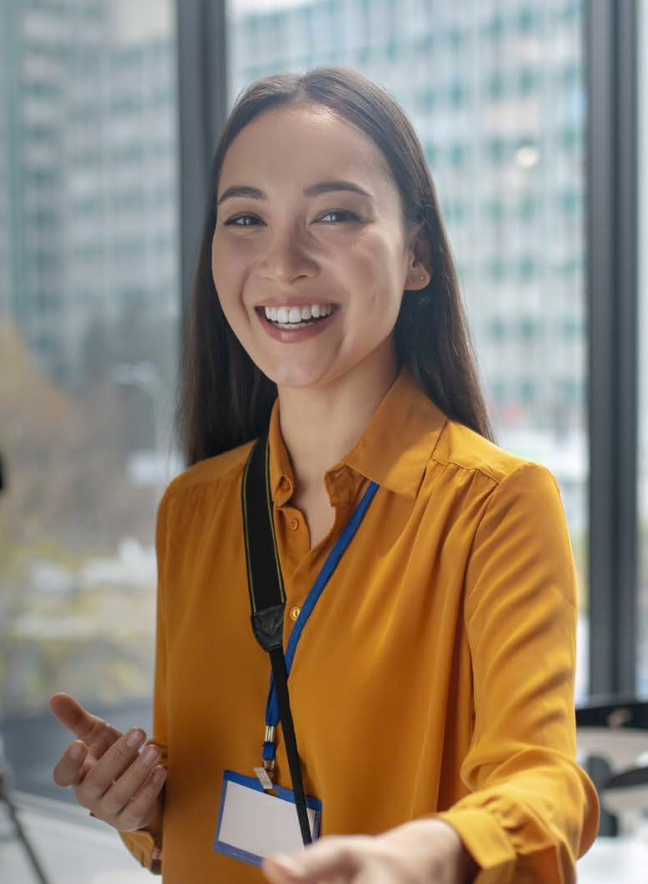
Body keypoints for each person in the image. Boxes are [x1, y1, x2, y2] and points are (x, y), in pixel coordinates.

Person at [50, 66, 600, 883]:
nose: (282, 261)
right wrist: (141, 804)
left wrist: (424, 851)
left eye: (335, 214)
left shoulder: (495, 506)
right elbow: (211, 807)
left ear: (417, 254)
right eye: (246, 218)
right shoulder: (193, 510)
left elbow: (545, 781)